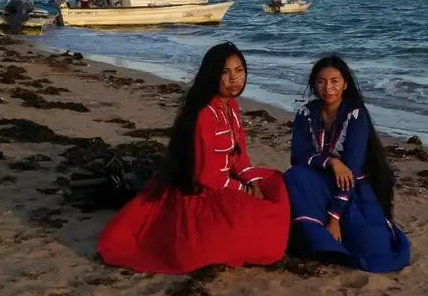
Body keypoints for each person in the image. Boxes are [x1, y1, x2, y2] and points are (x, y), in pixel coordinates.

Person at [97, 42, 290, 274]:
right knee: (249, 222)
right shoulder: (205, 114)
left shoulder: (231, 107)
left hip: (225, 179)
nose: (234, 78)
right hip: (202, 189)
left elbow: (238, 158)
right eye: (225, 72)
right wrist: (244, 190)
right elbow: (207, 176)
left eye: (239, 70)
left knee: (276, 182)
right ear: (211, 75)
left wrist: (253, 182)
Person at [283, 55, 411, 273]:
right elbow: (298, 157)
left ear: (345, 84)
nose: (328, 88)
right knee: (295, 175)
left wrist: (334, 218)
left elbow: (350, 170)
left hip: (353, 188)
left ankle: (335, 228)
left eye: (335, 81)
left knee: (374, 251)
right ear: (314, 84)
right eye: (321, 81)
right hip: (319, 183)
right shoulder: (306, 113)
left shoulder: (356, 114)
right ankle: (318, 237)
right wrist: (330, 162)